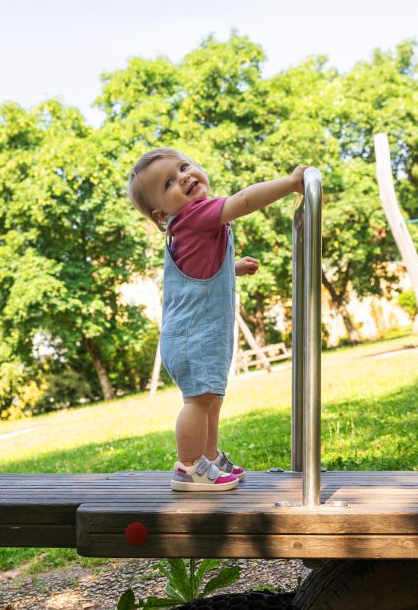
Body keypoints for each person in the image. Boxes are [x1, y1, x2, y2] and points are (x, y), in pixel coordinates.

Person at [127, 148, 307, 491]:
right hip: (194, 336)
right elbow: (244, 201)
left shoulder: (185, 228)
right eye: (168, 183)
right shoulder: (196, 215)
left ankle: (206, 457)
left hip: (196, 334)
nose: (183, 176)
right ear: (161, 213)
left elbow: (193, 276)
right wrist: (289, 183)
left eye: (183, 166)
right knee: (198, 402)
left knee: (210, 400)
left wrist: (231, 268)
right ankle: (189, 466)